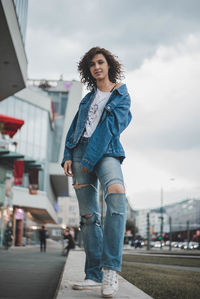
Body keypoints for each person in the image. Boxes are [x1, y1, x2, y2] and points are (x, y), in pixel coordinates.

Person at [61, 47, 132, 298]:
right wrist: (68, 155)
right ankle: (93, 275)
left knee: (116, 191)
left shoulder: (121, 96)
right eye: (92, 64)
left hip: (107, 151)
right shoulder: (86, 98)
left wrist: (89, 159)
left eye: (100, 62)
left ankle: (110, 269)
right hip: (79, 151)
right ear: (88, 70)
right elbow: (74, 129)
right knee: (89, 216)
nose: (96, 67)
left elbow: (110, 129)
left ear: (109, 65)